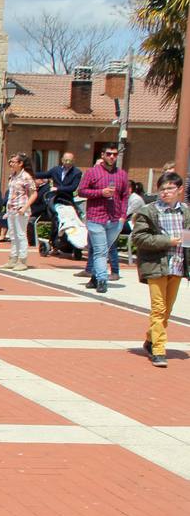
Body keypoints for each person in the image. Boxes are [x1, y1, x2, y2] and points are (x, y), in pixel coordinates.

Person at [131, 172, 189, 368]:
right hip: (156, 264)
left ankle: (150, 338)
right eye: (162, 189)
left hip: (178, 264)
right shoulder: (149, 211)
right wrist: (167, 241)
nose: (165, 192)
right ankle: (158, 349)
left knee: (168, 309)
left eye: (170, 188)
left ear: (179, 190)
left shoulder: (186, 212)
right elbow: (138, 238)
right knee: (158, 308)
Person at [78, 146, 130, 294]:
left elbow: (125, 196)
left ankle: (94, 276)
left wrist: (123, 215)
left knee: (102, 250)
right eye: (109, 154)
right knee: (101, 251)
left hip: (114, 219)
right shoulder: (92, 172)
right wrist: (101, 192)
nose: (112, 157)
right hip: (96, 217)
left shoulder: (122, 174)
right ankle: (102, 280)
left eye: (114, 154)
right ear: (103, 155)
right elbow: (81, 191)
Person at [4, 153, 38, 271]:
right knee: (12, 235)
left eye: (14, 162)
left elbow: (34, 194)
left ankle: (22, 260)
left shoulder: (26, 176)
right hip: (11, 209)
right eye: (11, 161)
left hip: (21, 210)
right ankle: (13, 258)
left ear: (20, 163)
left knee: (20, 234)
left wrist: (25, 207)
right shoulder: (13, 176)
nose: (11, 164)